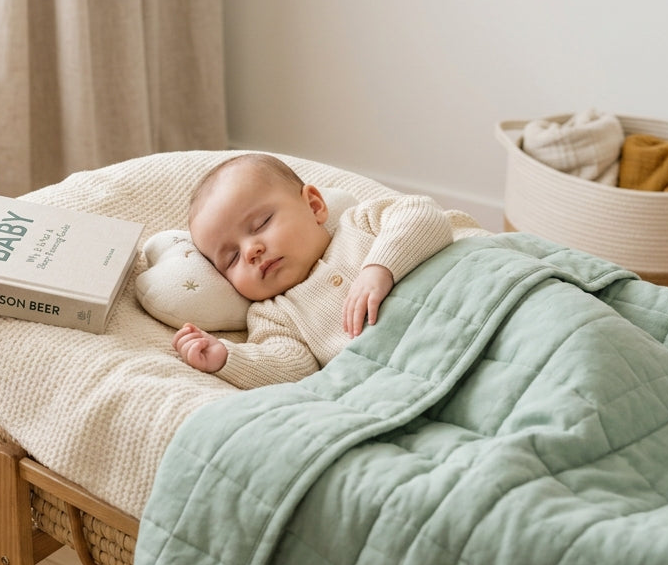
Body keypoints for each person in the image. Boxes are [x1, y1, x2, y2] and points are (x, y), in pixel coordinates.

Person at [172, 153, 483, 389]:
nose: (251, 251)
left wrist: (380, 267)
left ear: (314, 206)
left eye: (261, 223)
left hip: (469, 319)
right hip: (410, 378)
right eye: (231, 258)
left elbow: (422, 214)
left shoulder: (360, 225)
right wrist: (227, 358)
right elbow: (292, 367)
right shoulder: (274, 315)